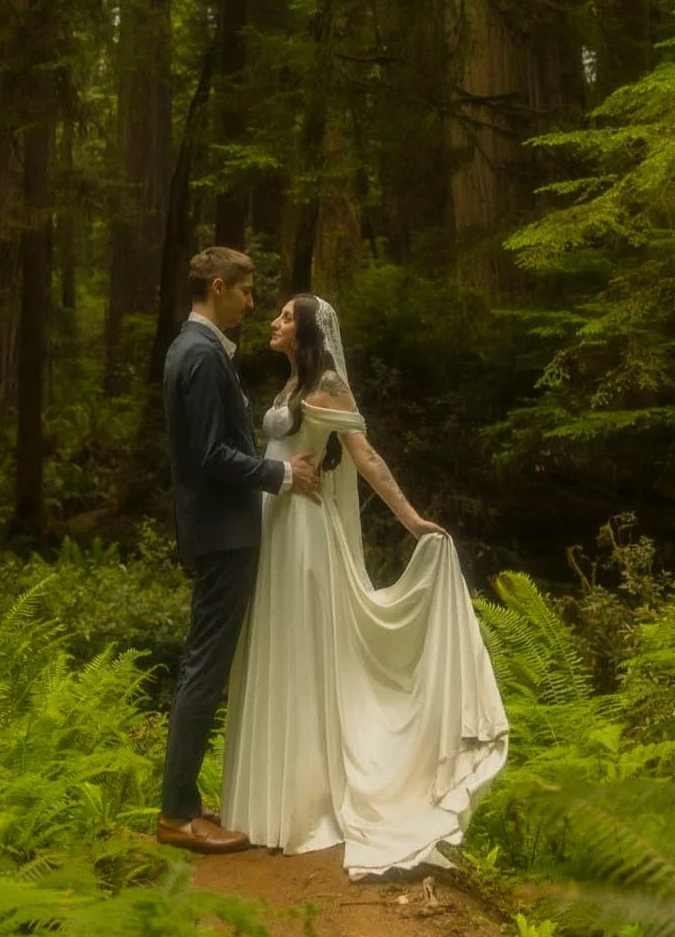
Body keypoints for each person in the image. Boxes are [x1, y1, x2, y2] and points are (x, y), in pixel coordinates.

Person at [221, 294, 510, 876]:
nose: (273, 323)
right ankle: (268, 804)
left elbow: (365, 456)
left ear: (303, 328)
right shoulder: (290, 384)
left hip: (304, 531)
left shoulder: (326, 383)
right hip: (274, 525)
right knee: (276, 649)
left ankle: (307, 806)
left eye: (283, 316)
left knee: (302, 651)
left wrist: (412, 520)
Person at [157, 248, 323, 854]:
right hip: (223, 531)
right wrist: (278, 477)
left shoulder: (195, 350)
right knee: (205, 667)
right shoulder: (198, 355)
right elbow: (208, 455)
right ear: (219, 287)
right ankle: (177, 814)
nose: (253, 304)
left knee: (206, 664)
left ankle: (184, 804)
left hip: (221, 528)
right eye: (247, 292)